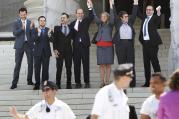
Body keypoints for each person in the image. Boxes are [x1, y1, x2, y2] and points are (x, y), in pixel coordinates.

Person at [10, 80, 76, 119]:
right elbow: (27, 117)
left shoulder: (62, 106)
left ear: (54, 91)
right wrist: (16, 115)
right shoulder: (39, 106)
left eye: (47, 89)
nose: (45, 92)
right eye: (43, 90)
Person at [113, 0, 138, 87]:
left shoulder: (130, 22)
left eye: (127, 16)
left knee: (131, 64)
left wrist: (135, 2)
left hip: (129, 45)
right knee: (122, 65)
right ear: (121, 18)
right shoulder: (117, 23)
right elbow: (114, 12)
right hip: (120, 46)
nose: (128, 17)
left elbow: (134, 14)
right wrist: (111, 3)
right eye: (126, 16)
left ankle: (132, 83)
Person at [70, 0, 94, 88]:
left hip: (84, 46)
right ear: (76, 14)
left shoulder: (86, 21)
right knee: (76, 65)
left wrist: (90, 7)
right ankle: (77, 82)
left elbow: (91, 17)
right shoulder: (72, 24)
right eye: (78, 13)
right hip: (76, 47)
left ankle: (87, 81)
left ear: (83, 14)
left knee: (86, 64)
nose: (80, 14)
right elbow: (70, 35)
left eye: (81, 13)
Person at [10, 7, 34, 89]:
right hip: (19, 46)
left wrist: (32, 28)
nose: (23, 16)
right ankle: (14, 83)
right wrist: (21, 29)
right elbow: (14, 33)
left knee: (30, 63)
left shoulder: (30, 22)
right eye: (21, 14)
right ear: (19, 14)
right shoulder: (16, 22)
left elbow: (33, 34)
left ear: (26, 14)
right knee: (17, 64)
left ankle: (29, 80)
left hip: (28, 45)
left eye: (24, 14)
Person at [138, 5, 162, 87]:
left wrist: (158, 11)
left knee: (155, 62)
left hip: (153, 44)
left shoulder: (154, 18)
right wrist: (136, 3)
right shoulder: (144, 18)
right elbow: (138, 13)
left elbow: (158, 19)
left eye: (150, 10)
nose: (148, 11)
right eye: (147, 10)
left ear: (152, 11)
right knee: (146, 64)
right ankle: (147, 82)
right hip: (145, 44)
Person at [92, 0, 114, 87]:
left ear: (107, 17)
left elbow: (112, 17)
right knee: (101, 66)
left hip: (108, 47)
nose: (103, 17)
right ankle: (102, 82)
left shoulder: (110, 24)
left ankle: (107, 82)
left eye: (105, 16)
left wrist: (111, 6)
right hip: (100, 47)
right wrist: (91, 7)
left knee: (108, 65)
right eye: (102, 16)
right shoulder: (99, 24)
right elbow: (94, 16)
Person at [32, 16, 53, 90]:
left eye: (44, 20)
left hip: (46, 53)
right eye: (41, 20)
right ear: (39, 21)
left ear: (45, 22)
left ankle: (44, 84)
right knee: (37, 69)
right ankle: (37, 84)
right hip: (37, 53)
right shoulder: (35, 30)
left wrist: (49, 34)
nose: (42, 22)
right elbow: (34, 39)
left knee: (45, 69)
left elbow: (52, 40)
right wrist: (39, 32)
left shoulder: (48, 30)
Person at [53, 13, 73, 89]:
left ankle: (69, 84)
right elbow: (55, 40)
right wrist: (55, 50)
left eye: (64, 18)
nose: (62, 19)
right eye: (61, 18)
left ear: (67, 19)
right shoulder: (57, 28)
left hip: (68, 51)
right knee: (59, 68)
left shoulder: (71, 28)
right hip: (59, 51)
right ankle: (58, 84)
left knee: (69, 68)